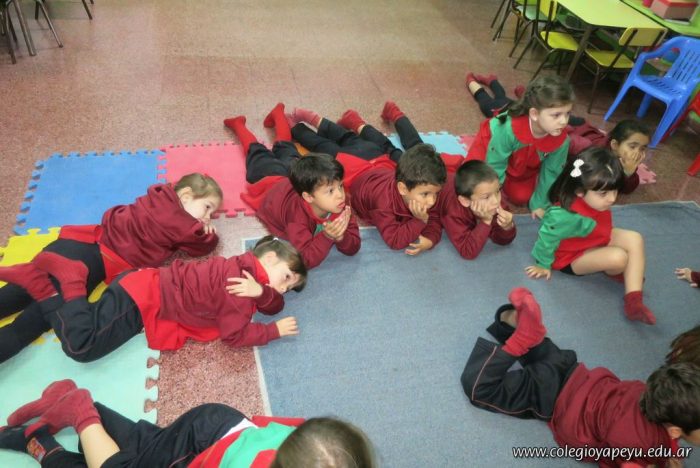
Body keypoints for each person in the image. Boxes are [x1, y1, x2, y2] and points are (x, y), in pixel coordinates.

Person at [461, 287, 700, 467]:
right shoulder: (639, 445)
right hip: (552, 397)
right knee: (479, 389)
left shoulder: (651, 390)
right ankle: (519, 341)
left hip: (571, 369)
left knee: (537, 349)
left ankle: (514, 321)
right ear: (675, 431)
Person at [0, 173, 223, 363]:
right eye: (207, 208)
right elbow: (199, 248)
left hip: (76, 244)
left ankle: (30, 279)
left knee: (17, 292)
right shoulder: (180, 224)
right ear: (185, 196)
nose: (207, 218)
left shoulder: (155, 198)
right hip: (81, 267)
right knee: (24, 328)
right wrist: (207, 236)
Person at [0, 236, 306, 362]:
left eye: (290, 287)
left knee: (84, 321)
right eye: (287, 278)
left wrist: (264, 293)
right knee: (81, 346)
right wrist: (271, 331)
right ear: (267, 258)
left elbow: (272, 303)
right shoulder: (239, 290)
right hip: (141, 302)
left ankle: (43, 287)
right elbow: (234, 335)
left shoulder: (242, 266)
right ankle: (59, 284)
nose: (283, 289)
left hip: (141, 283)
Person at [0, 379, 376, 468]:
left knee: (147, 451)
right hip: (206, 445)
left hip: (221, 424)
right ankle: (77, 414)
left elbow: (275, 423)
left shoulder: (313, 440)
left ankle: (77, 403)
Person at [525, 147, 654, 324]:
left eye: (615, 191)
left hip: (594, 238)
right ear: (579, 191)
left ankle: (634, 302)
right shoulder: (565, 215)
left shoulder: (594, 195)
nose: (612, 199)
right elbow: (547, 238)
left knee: (635, 238)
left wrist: (627, 171)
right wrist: (542, 264)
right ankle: (618, 273)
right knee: (619, 258)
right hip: (570, 257)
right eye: (604, 193)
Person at [224, 103, 360, 270]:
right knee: (257, 150)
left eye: (340, 186)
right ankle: (238, 124)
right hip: (270, 181)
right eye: (331, 191)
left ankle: (278, 114)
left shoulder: (341, 204)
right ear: (308, 197)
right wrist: (327, 237)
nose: (340, 194)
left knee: (285, 146)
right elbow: (304, 260)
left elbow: (354, 247)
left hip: (294, 173)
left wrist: (341, 237)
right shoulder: (297, 218)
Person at [466, 75, 574, 218]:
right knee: (469, 183)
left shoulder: (562, 140)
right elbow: (495, 163)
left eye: (567, 113)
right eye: (556, 115)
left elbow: (551, 172)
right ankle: (472, 80)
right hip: (490, 149)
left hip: (519, 164)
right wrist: (492, 198)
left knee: (521, 197)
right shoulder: (508, 129)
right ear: (534, 114)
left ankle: (505, 182)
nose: (564, 121)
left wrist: (539, 205)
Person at [288, 102, 465, 171]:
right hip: (372, 165)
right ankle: (296, 127)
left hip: (385, 158)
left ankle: (356, 122)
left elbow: (457, 160)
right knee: (329, 147)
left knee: (391, 146)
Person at [339, 143, 447, 255]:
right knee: (332, 144)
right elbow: (394, 240)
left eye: (436, 193)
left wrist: (430, 239)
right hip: (356, 172)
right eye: (425, 194)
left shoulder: (423, 190)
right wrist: (419, 220)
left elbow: (434, 217)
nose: (432, 201)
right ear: (403, 189)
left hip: (379, 168)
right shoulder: (383, 204)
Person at [435, 160, 516, 259]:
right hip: (434, 188)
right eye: (486, 197)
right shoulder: (454, 213)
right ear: (465, 201)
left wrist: (507, 227)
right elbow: (467, 251)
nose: (496, 201)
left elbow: (503, 241)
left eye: (498, 191)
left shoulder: (495, 201)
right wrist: (485, 222)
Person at [568, 119, 651, 195]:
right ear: (615, 145)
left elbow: (627, 190)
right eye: (632, 147)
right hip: (578, 129)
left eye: (642, 149)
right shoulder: (596, 155)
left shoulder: (627, 159)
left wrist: (629, 172)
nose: (637, 152)